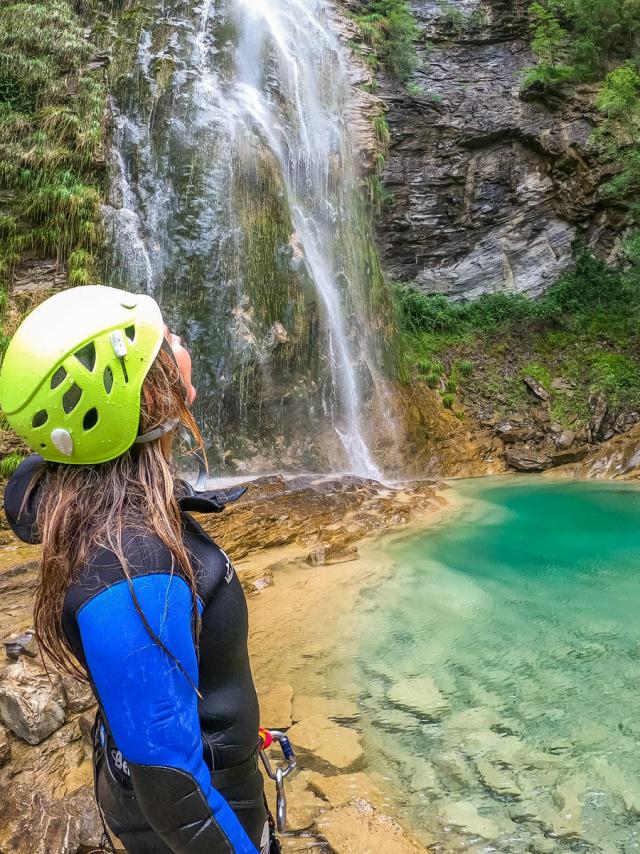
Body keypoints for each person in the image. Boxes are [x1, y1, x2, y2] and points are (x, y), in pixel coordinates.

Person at [0, 285, 277, 854]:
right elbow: (176, 795)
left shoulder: (91, 497)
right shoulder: (134, 566)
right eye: (166, 338)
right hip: (194, 812)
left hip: (168, 786)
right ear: (143, 396)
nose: (177, 340)